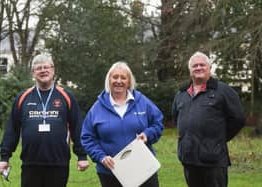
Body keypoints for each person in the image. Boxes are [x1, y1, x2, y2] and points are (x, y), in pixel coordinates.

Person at [0, 54, 89, 187]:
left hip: (58, 163)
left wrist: (82, 156)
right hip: (30, 163)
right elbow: (12, 129)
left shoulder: (66, 96)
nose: (43, 70)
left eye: (46, 67)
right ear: (33, 73)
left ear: (53, 70)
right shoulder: (23, 98)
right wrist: (4, 157)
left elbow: (77, 127)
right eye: (38, 68)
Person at [81, 61, 164, 187]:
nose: (118, 81)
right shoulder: (97, 108)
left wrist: (147, 135)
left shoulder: (142, 102)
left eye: (123, 77)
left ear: (129, 81)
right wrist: (101, 157)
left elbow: (157, 123)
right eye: (115, 77)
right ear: (109, 80)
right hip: (111, 172)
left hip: (143, 168)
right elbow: (87, 137)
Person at [172, 51, 246, 187]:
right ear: (190, 70)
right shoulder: (181, 94)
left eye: (202, 65)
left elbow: (239, 119)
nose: (198, 68)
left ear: (209, 68)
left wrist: (220, 138)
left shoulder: (223, 91)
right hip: (189, 158)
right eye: (195, 66)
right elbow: (176, 117)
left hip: (214, 159)